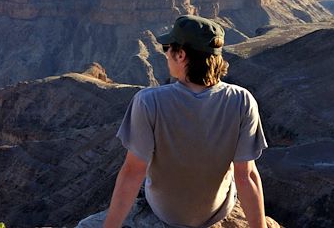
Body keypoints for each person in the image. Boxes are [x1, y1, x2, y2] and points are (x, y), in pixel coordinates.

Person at [102, 15, 268, 228]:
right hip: (217, 211)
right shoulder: (242, 100)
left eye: (167, 48)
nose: (166, 55)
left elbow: (133, 172)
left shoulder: (148, 101)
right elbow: (246, 176)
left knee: (145, 178)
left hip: (165, 213)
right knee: (236, 175)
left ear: (181, 55)